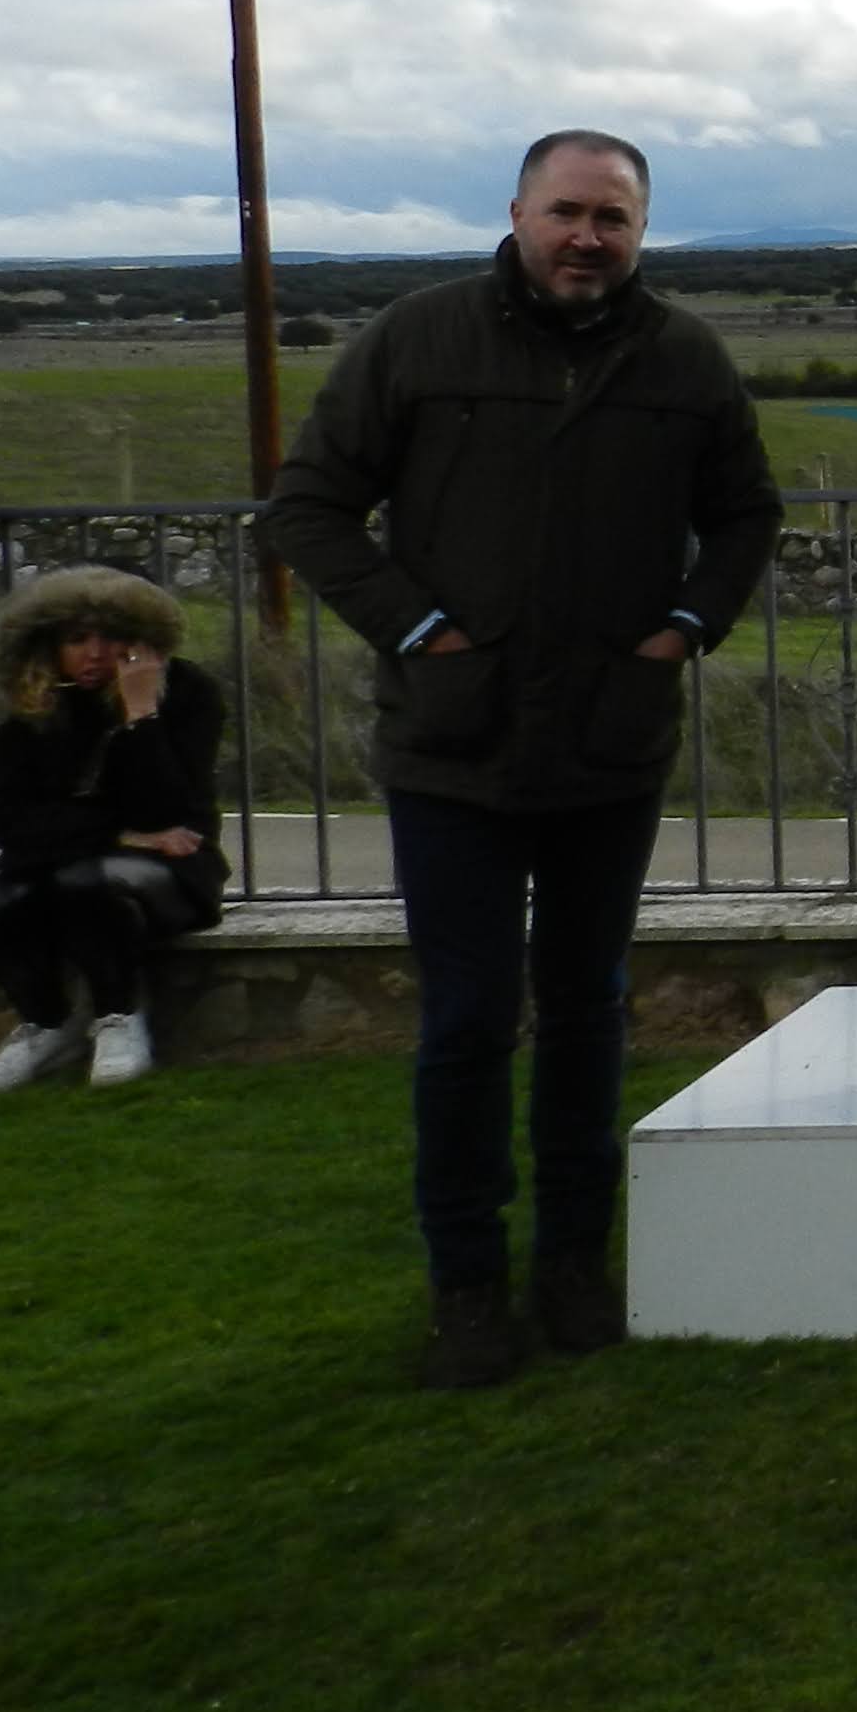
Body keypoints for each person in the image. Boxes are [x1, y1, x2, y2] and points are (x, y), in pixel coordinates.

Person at [265, 131, 778, 1389]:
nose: (587, 238)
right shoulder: (419, 339)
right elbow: (307, 506)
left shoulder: (684, 359)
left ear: (641, 231)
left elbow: (745, 514)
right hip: (454, 743)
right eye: (566, 213)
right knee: (467, 1021)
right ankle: (467, 1285)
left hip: (612, 738)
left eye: (613, 218)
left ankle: (573, 1265)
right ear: (517, 213)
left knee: (590, 1010)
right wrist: (418, 630)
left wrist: (684, 628)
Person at [0, 566, 229, 1090]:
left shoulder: (188, 693)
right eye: (77, 638)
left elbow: (168, 811)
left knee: (86, 885)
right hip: (54, 858)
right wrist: (116, 834)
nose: (95, 653)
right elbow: (9, 820)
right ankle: (46, 1024)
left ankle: (118, 1016)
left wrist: (141, 713)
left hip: (168, 868)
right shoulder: (35, 708)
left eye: (112, 638)